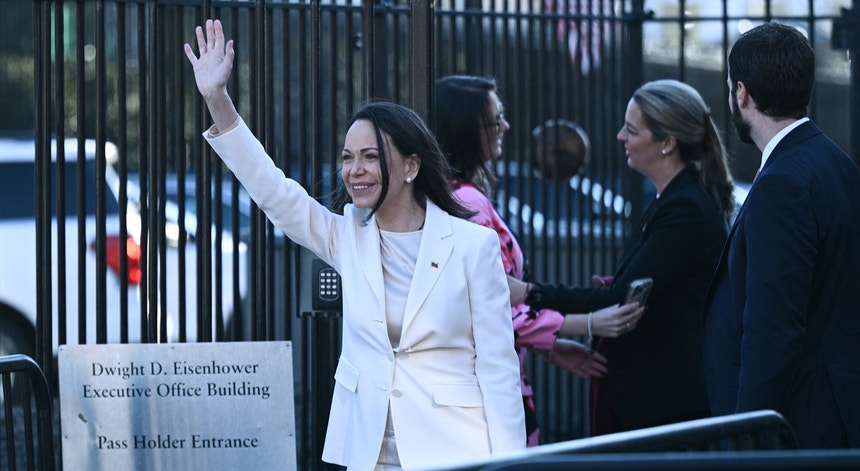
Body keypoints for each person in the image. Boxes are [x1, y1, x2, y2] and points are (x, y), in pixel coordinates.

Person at [184, 20, 526, 470]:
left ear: (411, 166)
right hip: (369, 452)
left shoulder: (472, 245)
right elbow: (273, 190)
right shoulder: (347, 235)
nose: (355, 170)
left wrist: (512, 462)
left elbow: (499, 370)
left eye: (370, 156)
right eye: (348, 157)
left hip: (454, 450)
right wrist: (217, 100)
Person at [510, 79, 735, 436]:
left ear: (667, 143)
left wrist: (527, 292)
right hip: (654, 398)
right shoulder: (673, 199)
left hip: (665, 407)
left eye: (631, 130)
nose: (619, 137)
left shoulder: (686, 209)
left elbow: (621, 300)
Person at [433, 75, 644, 445]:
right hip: (488, 394)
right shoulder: (467, 203)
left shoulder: (453, 195)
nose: (506, 127)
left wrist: (549, 344)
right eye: (495, 120)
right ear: (466, 129)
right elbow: (489, 307)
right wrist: (590, 322)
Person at [703, 21, 860, 449]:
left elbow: (773, 328)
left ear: (742, 93)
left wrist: (747, 437)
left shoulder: (782, 183)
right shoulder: (837, 164)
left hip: (802, 427)